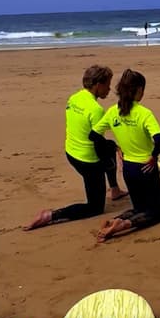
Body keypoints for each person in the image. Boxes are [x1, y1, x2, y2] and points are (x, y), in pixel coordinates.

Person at [24, 63, 124, 231]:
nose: (109, 89)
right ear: (97, 85)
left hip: (71, 153)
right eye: (107, 85)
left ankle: (114, 189)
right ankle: (50, 215)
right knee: (95, 207)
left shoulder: (74, 98)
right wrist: (115, 153)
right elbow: (98, 145)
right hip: (87, 161)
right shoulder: (96, 110)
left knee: (109, 146)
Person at [90, 69, 160, 241]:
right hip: (146, 168)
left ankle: (114, 220)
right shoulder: (144, 113)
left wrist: (115, 146)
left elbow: (93, 135)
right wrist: (154, 156)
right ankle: (123, 225)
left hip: (128, 168)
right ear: (138, 90)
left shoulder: (112, 112)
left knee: (139, 207)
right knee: (155, 213)